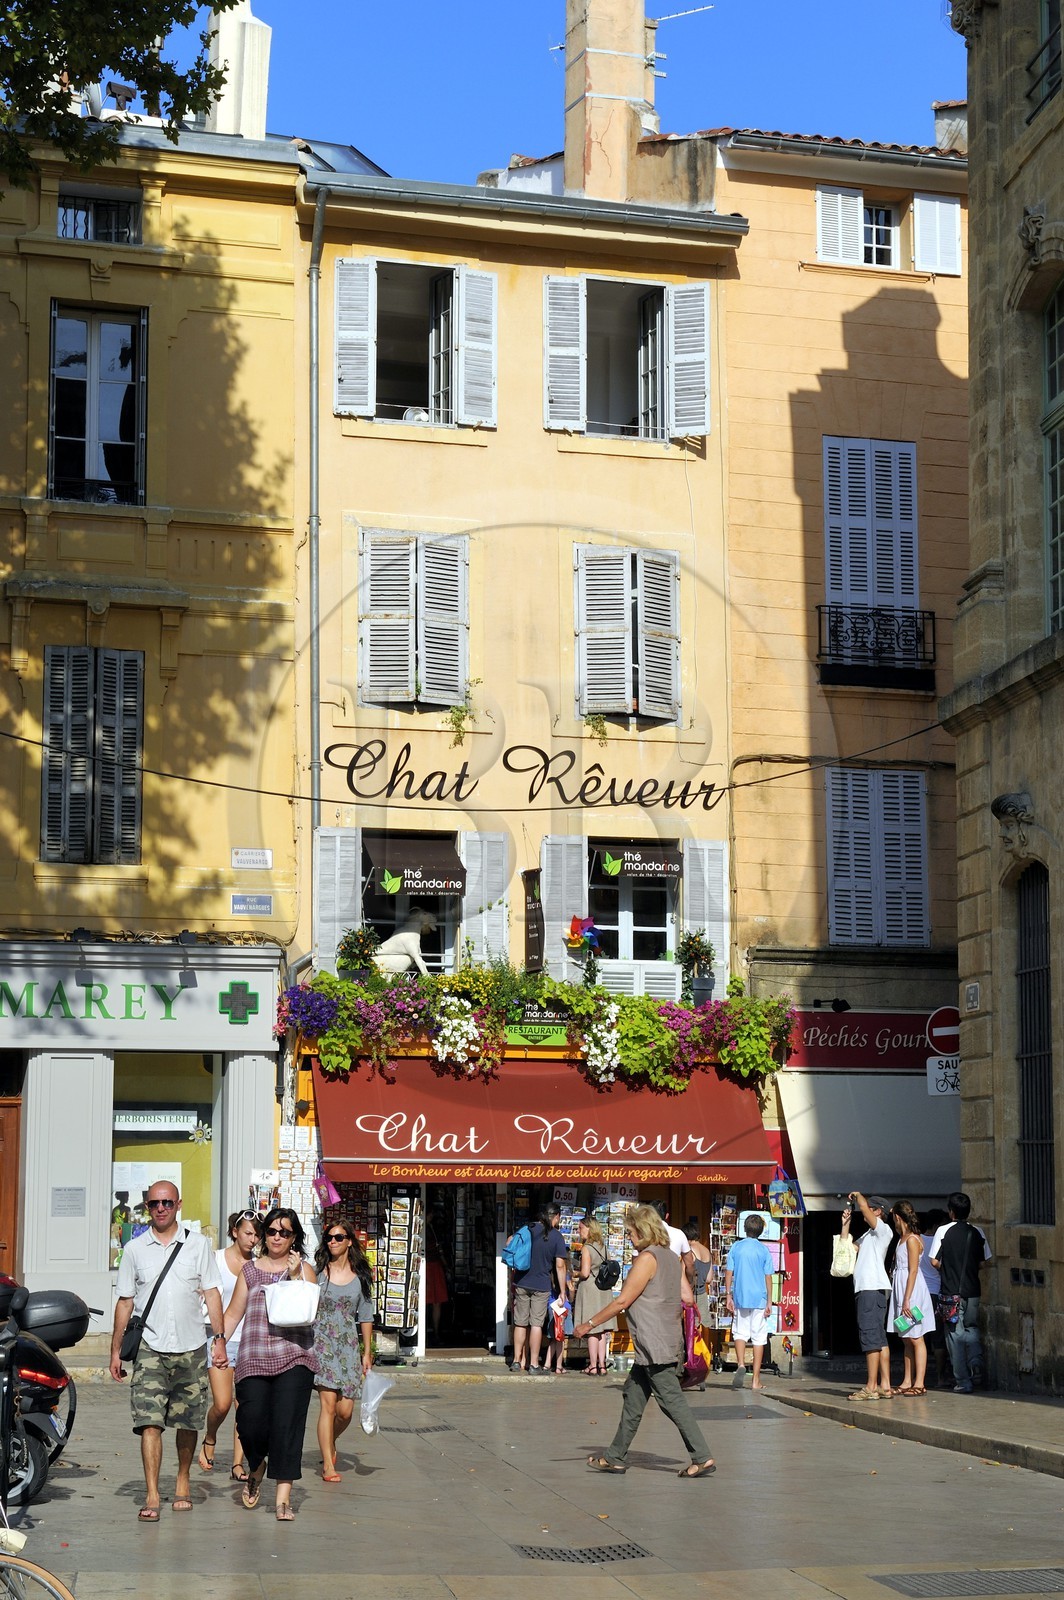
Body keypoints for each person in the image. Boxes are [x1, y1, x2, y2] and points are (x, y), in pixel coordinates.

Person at [109, 1179, 226, 1522]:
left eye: (167, 1203)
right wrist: (115, 1351)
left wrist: (218, 1338)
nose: (161, 1208)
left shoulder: (198, 1245)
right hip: (150, 1347)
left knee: (187, 1422)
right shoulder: (134, 1249)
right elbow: (125, 1301)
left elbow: (213, 1292)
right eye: (154, 1204)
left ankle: (183, 1480)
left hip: (191, 1346)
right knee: (150, 1423)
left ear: (179, 1204)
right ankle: (151, 1493)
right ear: (147, 1207)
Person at [576, 1204, 715, 1479]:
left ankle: (702, 1456)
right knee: (633, 1396)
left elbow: (623, 1300)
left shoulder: (647, 1259)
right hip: (659, 1342)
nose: (629, 1237)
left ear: (643, 1230)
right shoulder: (670, 1257)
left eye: (631, 1232)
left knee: (672, 1401)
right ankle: (614, 1457)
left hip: (655, 1346)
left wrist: (588, 1324)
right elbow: (687, 1297)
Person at [222, 1206, 318, 1520]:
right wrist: (218, 1341)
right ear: (265, 1234)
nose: (277, 1237)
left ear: (294, 1238)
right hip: (253, 1358)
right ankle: (256, 1464)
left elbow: (310, 1311)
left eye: (285, 1232)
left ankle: (282, 1500)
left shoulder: (306, 1270)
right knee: (249, 1424)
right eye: (273, 1231)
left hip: (295, 1356)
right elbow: (234, 1312)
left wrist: (292, 1277)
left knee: (287, 1426)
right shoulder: (249, 1271)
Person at [197, 1209, 262, 1481]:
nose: (253, 1239)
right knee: (222, 1404)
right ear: (235, 1231)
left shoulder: (259, 1265)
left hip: (250, 1343)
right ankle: (210, 1437)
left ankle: (238, 1464)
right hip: (219, 1339)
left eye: (257, 1234)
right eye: (248, 1233)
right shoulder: (215, 1259)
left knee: (243, 1407)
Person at [313, 1219, 375, 1481]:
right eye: (329, 1237)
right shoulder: (317, 1273)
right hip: (321, 1342)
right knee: (327, 1406)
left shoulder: (361, 1275)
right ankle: (328, 1464)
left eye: (339, 1237)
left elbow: (366, 1316)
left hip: (348, 1346)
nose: (333, 1242)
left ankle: (330, 1441)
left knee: (345, 1411)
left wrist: (367, 1351)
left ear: (350, 1241)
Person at [929, 1191, 991, 1393]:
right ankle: (976, 1364)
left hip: (950, 1293)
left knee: (955, 1336)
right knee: (972, 1329)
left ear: (951, 1212)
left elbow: (934, 1261)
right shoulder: (978, 1232)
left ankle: (963, 1381)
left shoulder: (943, 1231)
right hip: (973, 1291)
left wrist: (948, 1268)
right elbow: (984, 1262)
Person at [838, 1191, 893, 1401]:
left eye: (870, 1208)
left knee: (870, 1337)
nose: (865, 1210)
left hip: (871, 1288)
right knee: (878, 1338)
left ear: (878, 1212)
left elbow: (863, 1207)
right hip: (869, 1288)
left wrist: (858, 1196)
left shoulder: (883, 1230)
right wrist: (845, 1225)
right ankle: (884, 1386)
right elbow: (848, 1250)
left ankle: (871, 1387)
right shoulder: (868, 1235)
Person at [508, 1205, 569, 1374]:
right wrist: (563, 1291)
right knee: (536, 1324)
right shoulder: (556, 1237)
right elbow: (560, 1265)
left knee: (520, 1322)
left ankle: (516, 1361)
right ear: (556, 1216)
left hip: (521, 1281)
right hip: (541, 1285)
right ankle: (534, 1364)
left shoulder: (528, 1229)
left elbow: (509, 1242)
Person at [887, 1201, 935, 1395]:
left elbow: (913, 1270)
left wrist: (907, 1299)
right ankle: (907, 1380)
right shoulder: (902, 1238)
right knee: (906, 1338)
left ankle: (920, 1382)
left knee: (916, 1337)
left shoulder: (913, 1240)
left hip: (912, 1291)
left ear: (898, 1217)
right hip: (902, 1289)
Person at [725, 1213, 774, 1391]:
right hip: (759, 1298)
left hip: (740, 1296)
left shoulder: (736, 1247)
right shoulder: (764, 1250)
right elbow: (768, 1277)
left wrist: (728, 1295)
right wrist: (769, 1301)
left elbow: (729, 1272)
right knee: (759, 1338)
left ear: (744, 1229)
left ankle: (740, 1364)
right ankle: (755, 1381)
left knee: (739, 1332)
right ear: (761, 1231)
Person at [571, 1218, 618, 1375]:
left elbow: (585, 1273)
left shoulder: (587, 1248)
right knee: (602, 1330)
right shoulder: (603, 1247)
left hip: (590, 1290)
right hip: (603, 1290)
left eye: (581, 1228)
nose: (579, 1231)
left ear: (589, 1229)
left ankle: (592, 1365)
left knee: (592, 1329)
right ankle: (602, 1366)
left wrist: (574, 1273)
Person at [919, 1207, 951, 1388]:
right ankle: (940, 1377)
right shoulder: (940, 1242)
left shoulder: (916, 1240)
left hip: (918, 1295)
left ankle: (917, 1379)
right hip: (936, 1293)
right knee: (938, 1337)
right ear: (937, 1224)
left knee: (917, 1336)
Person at [651, 1200, 697, 1305]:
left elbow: (635, 1261)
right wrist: (689, 1282)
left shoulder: (643, 1234)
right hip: (673, 1286)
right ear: (667, 1215)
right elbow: (690, 1264)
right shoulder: (679, 1234)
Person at [684, 1221, 715, 1330]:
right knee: (700, 1328)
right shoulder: (707, 1251)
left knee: (689, 1329)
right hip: (702, 1295)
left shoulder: (688, 1251)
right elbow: (709, 1279)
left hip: (688, 1294)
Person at [424, 1210, 449, 1344]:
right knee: (432, 1302)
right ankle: (433, 1332)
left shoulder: (430, 1229)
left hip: (433, 1266)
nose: (431, 1216)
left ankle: (433, 1332)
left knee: (434, 1301)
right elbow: (439, 1250)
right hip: (430, 1266)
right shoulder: (428, 1230)